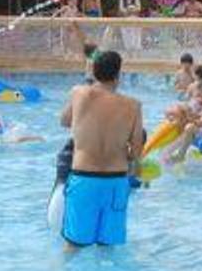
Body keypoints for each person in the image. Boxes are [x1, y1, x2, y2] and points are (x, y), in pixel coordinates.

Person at [57, 51, 144, 248]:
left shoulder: (79, 93)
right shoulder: (133, 106)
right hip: (116, 181)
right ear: (118, 75)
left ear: (94, 73)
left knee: (73, 246)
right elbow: (136, 152)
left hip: (84, 178)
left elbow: (64, 121)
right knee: (108, 248)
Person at [165, 80, 202, 163]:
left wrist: (186, 116)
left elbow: (198, 123)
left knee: (190, 128)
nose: (200, 99)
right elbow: (197, 117)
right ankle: (173, 151)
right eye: (198, 96)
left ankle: (181, 155)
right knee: (184, 126)